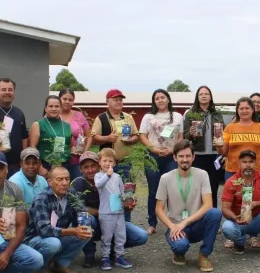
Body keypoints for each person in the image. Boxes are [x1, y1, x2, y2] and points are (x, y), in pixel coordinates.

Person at [70, 152, 150, 268]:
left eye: (93, 166)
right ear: (81, 169)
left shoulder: (116, 177)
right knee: (85, 219)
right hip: (96, 221)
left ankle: (116, 253)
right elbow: (78, 208)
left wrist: (128, 205)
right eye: (86, 167)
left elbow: (121, 198)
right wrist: (103, 213)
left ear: (98, 165)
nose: (90, 170)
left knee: (141, 235)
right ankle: (90, 254)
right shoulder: (78, 183)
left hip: (114, 216)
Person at [154, 140, 222, 272]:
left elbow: (208, 204)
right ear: (175, 157)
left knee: (215, 213)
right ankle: (179, 251)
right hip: (176, 226)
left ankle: (204, 254)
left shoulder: (202, 175)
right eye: (181, 156)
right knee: (180, 246)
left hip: (196, 224)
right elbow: (158, 209)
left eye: (187, 156)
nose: (184, 160)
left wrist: (185, 222)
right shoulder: (165, 178)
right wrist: (172, 226)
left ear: (193, 157)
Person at [26, 166, 95, 273]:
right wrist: (73, 231)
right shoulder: (41, 199)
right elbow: (44, 230)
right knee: (53, 243)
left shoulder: (71, 193)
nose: (64, 183)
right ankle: (40, 269)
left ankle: (59, 264)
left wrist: (84, 224)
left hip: (57, 235)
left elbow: (82, 211)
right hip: (35, 239)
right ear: (50, 182)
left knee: (86, 231)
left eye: (67, 179)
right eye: (59, 179)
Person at [220, 150, 260, 257]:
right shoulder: (231, 181)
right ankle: (239, 243)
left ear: (256, 163)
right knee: (227, 227)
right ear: (239, 163)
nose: (248, 165)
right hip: (239, 220)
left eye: (251, 162)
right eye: (244, 162)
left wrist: (257, 203)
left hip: (258, 219)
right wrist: (234, 218)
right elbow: (225, 209)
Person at [90, 89, 141, 221]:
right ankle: (107, 223)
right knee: (107, 194)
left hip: (125, 163)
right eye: (115, 99)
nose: (119, 102)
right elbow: (94, 138)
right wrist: (107, 138)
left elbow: (137, 135)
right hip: (107, 165)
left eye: (120, 99)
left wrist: (131, 140)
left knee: (126, 195)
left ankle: (126, 223)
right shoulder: (101, 118)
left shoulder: (128, 117)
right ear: (107, 102)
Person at [139, 89, 184, 234]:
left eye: (162, 97)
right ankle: (152, 223)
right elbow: (143, 136)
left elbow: (181, 136)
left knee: (173, 189)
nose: (160, 100)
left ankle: (174, 221)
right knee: (153, 190)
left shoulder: (177, 116)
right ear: (154, 101)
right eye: (157, 98)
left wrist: (174, 150)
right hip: (152, 156)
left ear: (168, 99)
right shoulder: (148, 117)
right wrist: (154, 150)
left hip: (171, 156)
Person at [182, 85, 226, 209]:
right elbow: (185, 136)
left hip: (214, 155)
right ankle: (196, 216)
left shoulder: (217, 114)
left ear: (210, 97)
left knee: (213, 187)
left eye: (206, 94)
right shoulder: (191, 113)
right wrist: (190, 133)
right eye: (201, 94)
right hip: (198, 155)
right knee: (197, 187)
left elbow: (224, 131)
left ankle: (212, 215)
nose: (204, 96)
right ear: (197, 97)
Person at [92, 148, 132, 270]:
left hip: (118, 212)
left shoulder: (118, 177)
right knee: (107, 236)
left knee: (121, 235)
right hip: (106, 213)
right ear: (99, 162)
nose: (108, 163)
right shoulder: (98, 176)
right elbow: (99, 185)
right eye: (105, 160)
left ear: (115, 163)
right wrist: (107, 176)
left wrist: (128, 199)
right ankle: (105, 257)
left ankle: (119, 256)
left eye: (111, 161)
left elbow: (121, 192)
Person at [220, 97, 260, 180]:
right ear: (237, 110)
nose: (244, 111)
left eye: (247, 108)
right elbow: (224, 152)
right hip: (232, 172)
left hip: (255, 172)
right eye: (241, 108)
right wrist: (218, 146)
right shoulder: (229, 127)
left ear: (252, 110)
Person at [28, 95, 73, 174]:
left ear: (61, 108)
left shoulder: (67, 126)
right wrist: (40, 167)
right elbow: (32, 147)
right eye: (51, 106)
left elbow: (71, 145)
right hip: (46, 165)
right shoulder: (38, 124)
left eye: (57, 106)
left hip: (65, 165)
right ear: (45, 108)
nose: (54, 109)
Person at [58, 88, 91, 181]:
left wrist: (85, 153)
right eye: (64, 99)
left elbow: (89, 135)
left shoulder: (79, 116)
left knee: (77, 187)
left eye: (70, 100)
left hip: (77, 161)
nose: (67, 102)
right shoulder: (53, 114)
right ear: (59, 99)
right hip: (57, 160)